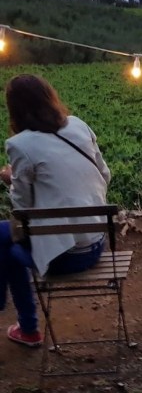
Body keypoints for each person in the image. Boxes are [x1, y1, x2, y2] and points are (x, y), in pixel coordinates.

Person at [0, 74, 111, 347]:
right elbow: (104, 175)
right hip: (97, 244)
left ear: (14, 109)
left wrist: (11, 179)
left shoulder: (20, 144)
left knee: (3, 245)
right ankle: (25, 326)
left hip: (65, 259)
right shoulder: (78, 126)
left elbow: (22, 208)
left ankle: (28, 328)